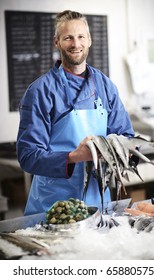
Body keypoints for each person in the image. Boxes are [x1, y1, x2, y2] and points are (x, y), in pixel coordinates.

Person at [16, 10, 135, 215]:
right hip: (53, 206)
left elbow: (126, 137)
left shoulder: (106, 86)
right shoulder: (40, 91)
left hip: (98, 204)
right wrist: (73, 157)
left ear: (89, 40)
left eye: (81, 37)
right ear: (57, 42)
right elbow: (28, 156)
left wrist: (123, 152)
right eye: (68, 37)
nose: (75, 43)